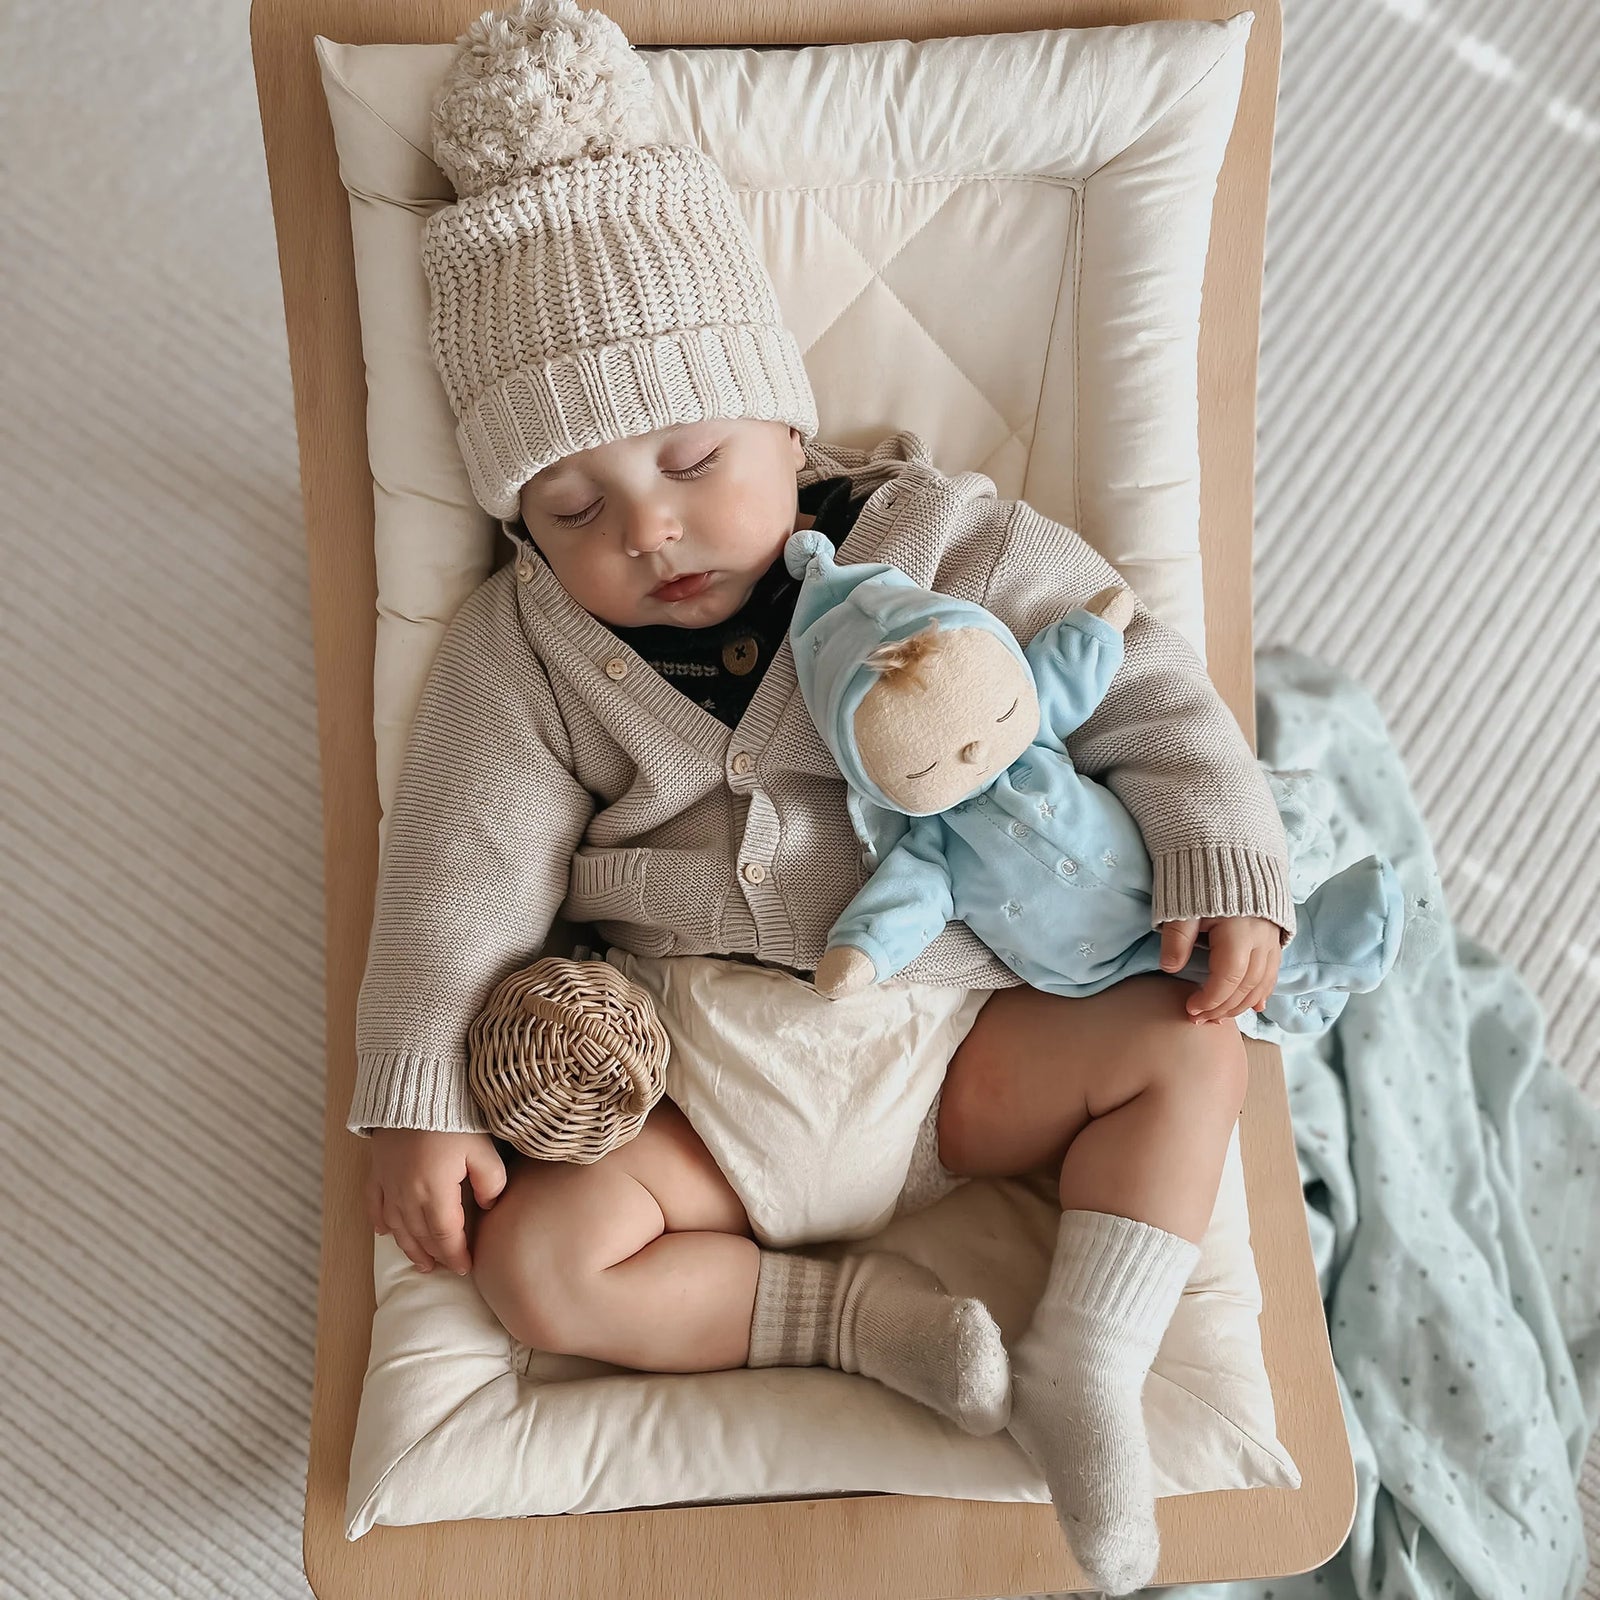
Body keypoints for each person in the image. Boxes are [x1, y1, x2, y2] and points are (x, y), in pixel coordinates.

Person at [356, 2, 1292, 1592]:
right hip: (702, 1080)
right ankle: (858, 1325)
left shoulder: (936, 539)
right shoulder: (523, 652)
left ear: (784, 421)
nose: (649, 530)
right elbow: (459, 868)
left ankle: (1087, 1359)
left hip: (956, 1040)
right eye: (574, 505)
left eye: (694, 456)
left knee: (1183, 1048)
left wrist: (1220, 840)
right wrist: (415, 1091)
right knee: (545, 1270)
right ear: (525, 531)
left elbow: (1128, 673)